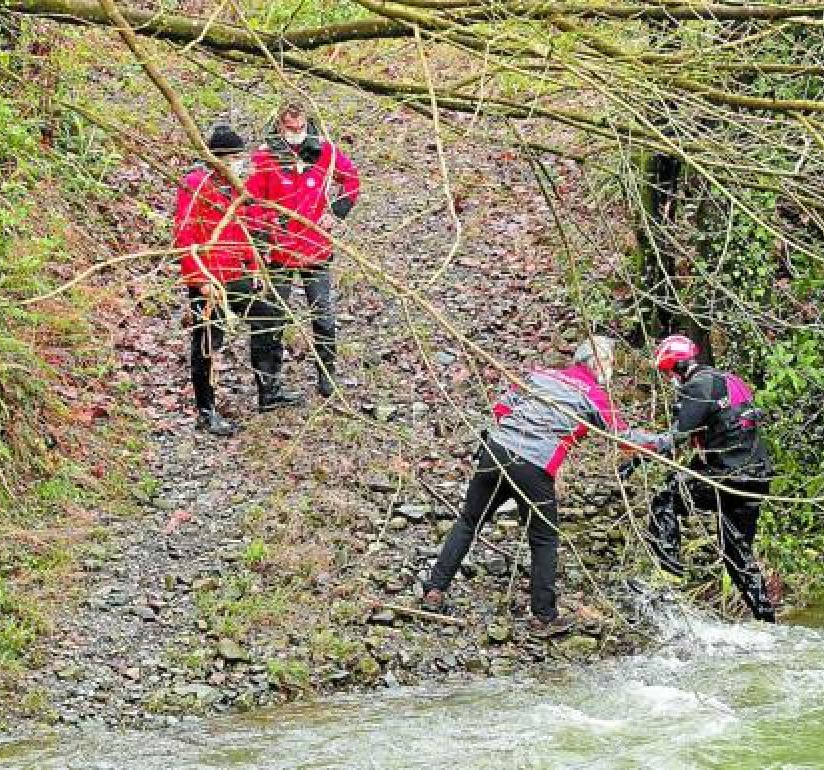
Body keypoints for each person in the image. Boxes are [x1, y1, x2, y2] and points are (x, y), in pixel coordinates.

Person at [421, 336, 662, 636]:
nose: (611, 369)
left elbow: (501, 409)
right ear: (598, 364)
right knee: (544, 540)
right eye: (610, 362)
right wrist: (664, 442)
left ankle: (434, 590)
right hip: (534, 467)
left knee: (469, 522)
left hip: (495, 451)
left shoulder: (540, 375)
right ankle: (544, 616)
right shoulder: (594, 395)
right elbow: (623, 439)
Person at [173, 122, 303, 436]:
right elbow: (184, 235)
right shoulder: (195, 184)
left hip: (235, 273)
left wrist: (253, 267)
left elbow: (242, 230)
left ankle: (268, 391)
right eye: (234, 157)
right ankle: (207, 410)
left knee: (269, 318)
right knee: (208, 342)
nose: (239, 163)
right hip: (208, 280)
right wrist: (198, 279)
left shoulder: (234, 187)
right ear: (218, 158)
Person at [640, 334, 777, 622]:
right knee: (737, 553)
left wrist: (637, 455)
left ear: (675, 369)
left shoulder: (697, 386)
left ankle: (668, 572)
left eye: (667, 374)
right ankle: (767, 620)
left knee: (665, 497)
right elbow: (723, 432)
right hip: (755, 478)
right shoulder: (729, 380)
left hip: (727, 477)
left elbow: (676, 437)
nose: (669, 381)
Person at [246, 101, 361, 397]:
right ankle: (268, 387)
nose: (296, 133)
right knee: (272, 318)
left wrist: (335, 212)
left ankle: (327, 376)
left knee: (323, 316)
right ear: (279, 126)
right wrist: (266, 234)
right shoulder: (265, 157)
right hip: (279, 252)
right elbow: (252, 203)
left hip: (315, 248)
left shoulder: (324, 151)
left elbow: (352, 181)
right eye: (290, 128)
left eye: (300, 128)